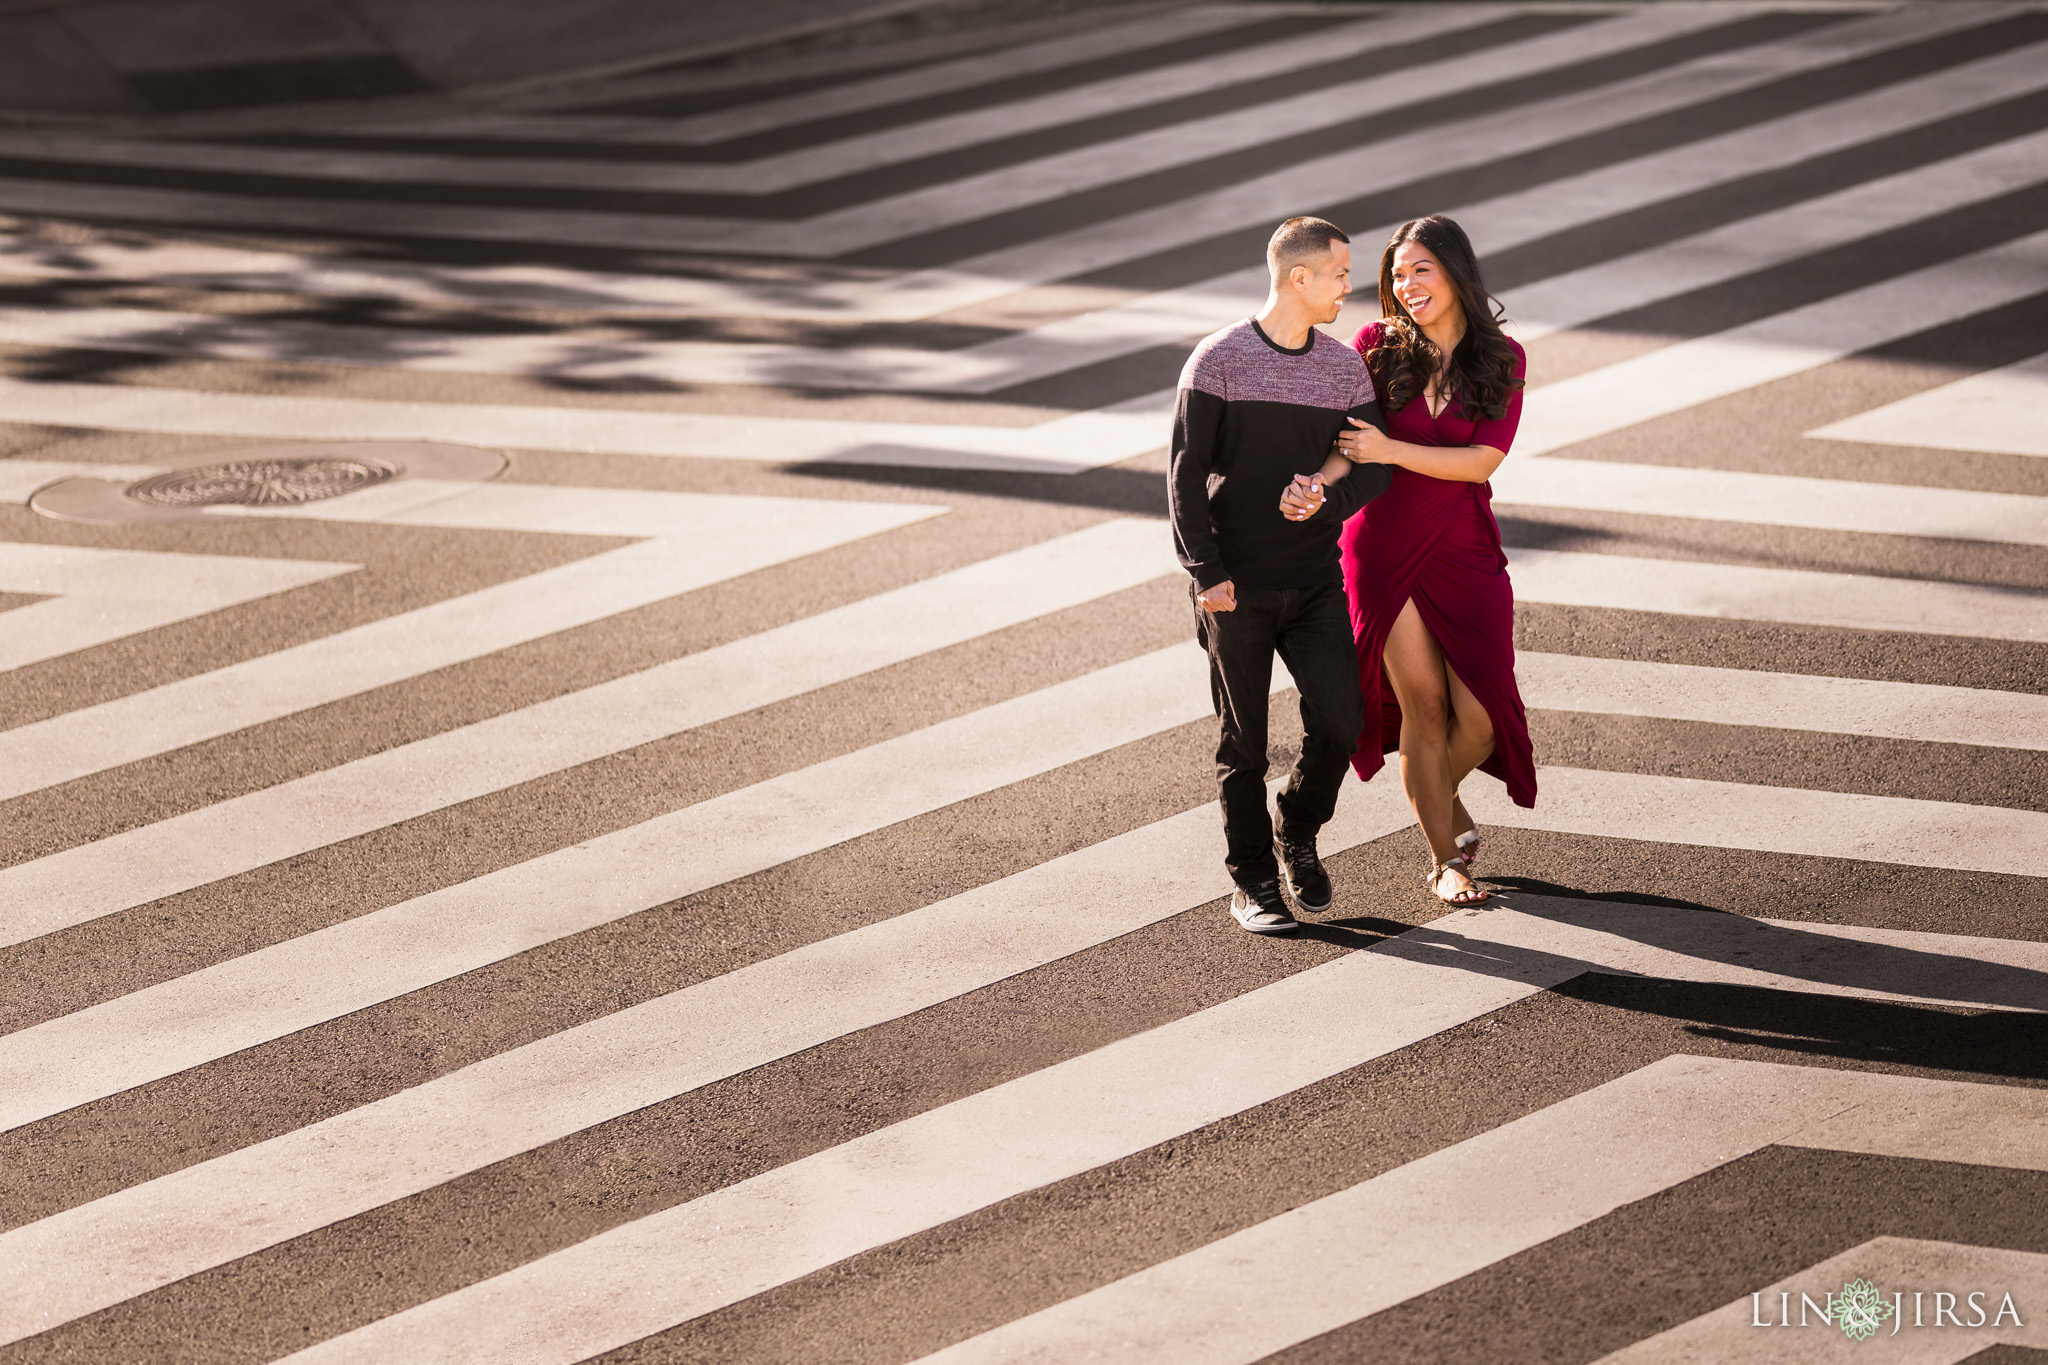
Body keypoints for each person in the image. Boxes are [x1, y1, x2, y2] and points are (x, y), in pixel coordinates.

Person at [1284, 215, 1534, 907]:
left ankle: (1436, 798)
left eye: (1419, 268)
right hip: (1382, 543)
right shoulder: (1376, 347)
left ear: (1455, 271)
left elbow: (1482, 459)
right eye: (1396, 274)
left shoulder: (1503, 357)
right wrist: (1317, 483)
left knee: (1481, 716)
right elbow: (1349, 442)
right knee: (1423, 707)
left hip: (1464, 545)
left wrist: (1392, 452)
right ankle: (1444, 858)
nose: (1406, 284)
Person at [1170, 216, 1392, 935]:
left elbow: (1374, 464)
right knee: (1245, 743)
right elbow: (1182, 476)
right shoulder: (1218, 361)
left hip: (1315, 581)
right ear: (1300, 278)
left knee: (1340, 721)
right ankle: (1254, 882)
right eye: (1340, 274)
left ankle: (1296, 827)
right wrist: (1205, 573)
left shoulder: (1342, 369)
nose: (1348, 288)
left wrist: (1327, 493)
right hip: (1236, 586)